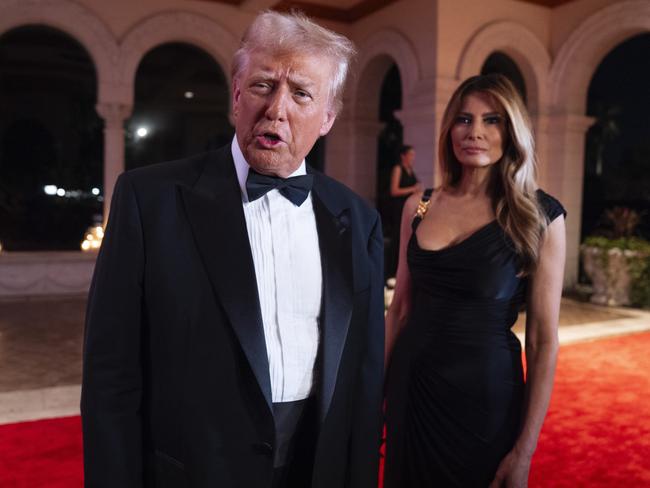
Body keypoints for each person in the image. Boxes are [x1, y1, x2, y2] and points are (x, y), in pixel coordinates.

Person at [81, 11, 384, 488]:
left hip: (315, 469)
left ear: (328, 117)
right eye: (264, 85)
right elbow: (110, 380)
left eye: (301, 93)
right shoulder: (149, 200)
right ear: (237, 94)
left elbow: (363, 384)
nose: (277, 110)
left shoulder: (358, 219)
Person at [383, 74, 566, 487]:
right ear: (450, 129)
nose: (475, 133)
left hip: (486, 398)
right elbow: (400, 312)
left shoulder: (540, 216)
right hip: (411, 389)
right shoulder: (420, 205)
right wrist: (373, 392)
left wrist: (525, 450)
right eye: (464, 120)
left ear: (513, 131)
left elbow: (542, 339)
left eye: (492, 120)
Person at [387, 145, 420, 276]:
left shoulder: (411, 170)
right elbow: (394, 190)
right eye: (410, 155)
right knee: (398, 238)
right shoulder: (398, 169)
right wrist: (412, 189)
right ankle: (392, 272)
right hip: (399, 208)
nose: (413, 158)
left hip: (409, 209)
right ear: (403, 156)